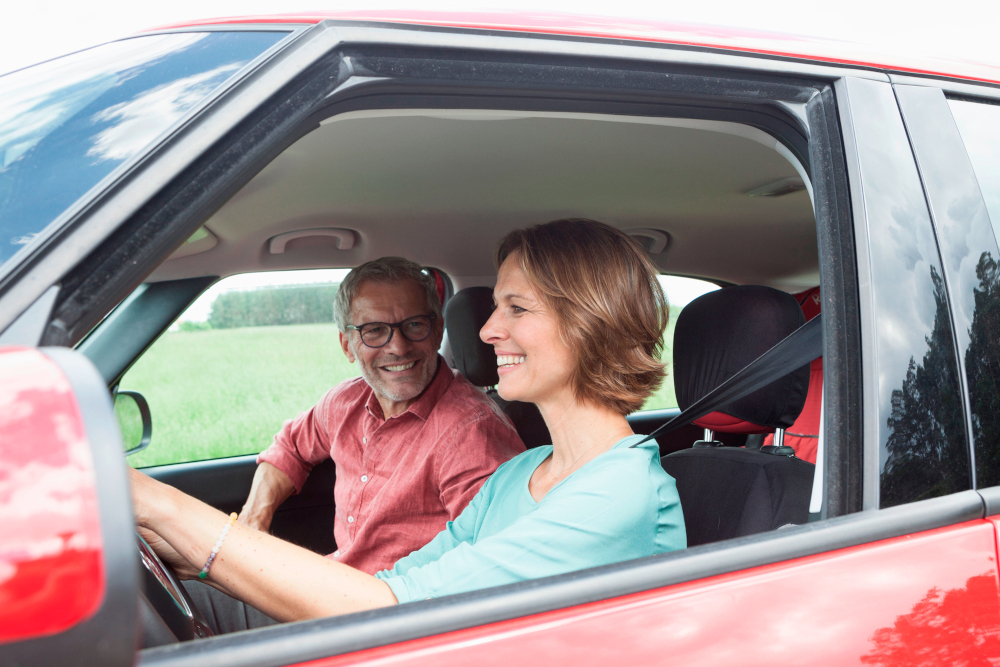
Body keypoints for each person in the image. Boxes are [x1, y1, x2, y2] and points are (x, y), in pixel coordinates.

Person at [129, 220, 686, 634]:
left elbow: (398, 608)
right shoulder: (519, 474)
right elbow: (399, 583)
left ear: (590, 322)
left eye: (516, 308)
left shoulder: (618, 494)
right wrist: (184, 547)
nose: (487, 331)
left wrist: (164, 507)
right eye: (495, 307)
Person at [241, 257, 525, 577]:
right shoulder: (345, 402)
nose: (399, 347)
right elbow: (289, 447)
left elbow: (491, 564)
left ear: (437, 330)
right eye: (375, 331)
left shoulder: (471, 433)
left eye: (414, 325)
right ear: (347, 345)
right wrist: (253, 521)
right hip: (334, 585)